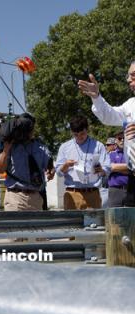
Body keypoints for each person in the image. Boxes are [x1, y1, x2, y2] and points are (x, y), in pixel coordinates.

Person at [78, 63, 135, 205]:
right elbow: (108, 116)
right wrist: (96, 97)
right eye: (128, 76)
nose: (128, 79)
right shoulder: (130, 105)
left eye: (133, 75)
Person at [0, 114, 51, 211]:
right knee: (16, 226)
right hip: (15, 197)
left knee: (38, 227)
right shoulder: (11, 146)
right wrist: (5, 150)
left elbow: (50, 167)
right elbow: (0, 169)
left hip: (35, 198)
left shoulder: (40, 147)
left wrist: (51, 171)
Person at [55, 115, 110, 210]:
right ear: (71, 132)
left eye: (82, 133)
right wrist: (66, 165)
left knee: (95, 224)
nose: (79, 137)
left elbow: (107, 169)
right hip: (72, 194)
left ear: (87, 130)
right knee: (71, 224)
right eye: (76, 134)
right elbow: (59, 172)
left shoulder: (98, 146)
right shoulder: (64, 147)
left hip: (93, 193)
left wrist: (101, 170)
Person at [107, 132, 130, 207]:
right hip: (115, 190)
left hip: (130, 190)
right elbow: (111, 167)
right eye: (120, 138)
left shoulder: (132, 153)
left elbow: (114, 168)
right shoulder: (111, 154)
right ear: (116, 140)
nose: (122, 140)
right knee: (113, 217)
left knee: (131, 217)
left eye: (124, 138)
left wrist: (117, 168)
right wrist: (130, 168)